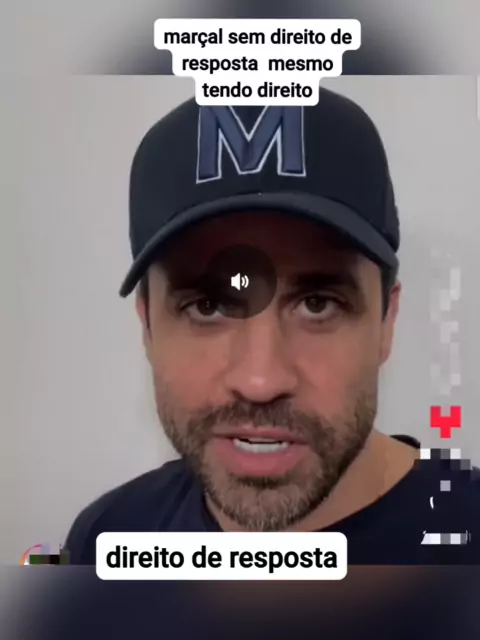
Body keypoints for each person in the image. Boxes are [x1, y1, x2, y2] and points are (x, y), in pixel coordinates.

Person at [65, 87, 479, 565]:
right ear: (147, 327)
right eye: (208, 307)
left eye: (318, 304)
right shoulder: (105, 539)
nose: (260, 382)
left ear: (387, 320)